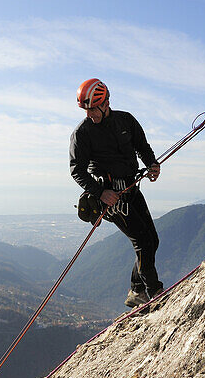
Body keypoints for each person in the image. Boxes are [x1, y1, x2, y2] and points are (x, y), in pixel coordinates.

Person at [69, 79, 163, 309]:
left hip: (131, 189)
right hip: (111, 197)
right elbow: (76, 170)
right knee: (142, 241)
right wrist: (101, 193)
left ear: (106, 103)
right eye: (86, 110)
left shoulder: (125, 120)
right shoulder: (82, 133)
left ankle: (137, 290)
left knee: (153, 240)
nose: (90, 114)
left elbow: (142, 146)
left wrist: (152, 164)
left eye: (93, 108)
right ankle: (155, 293)